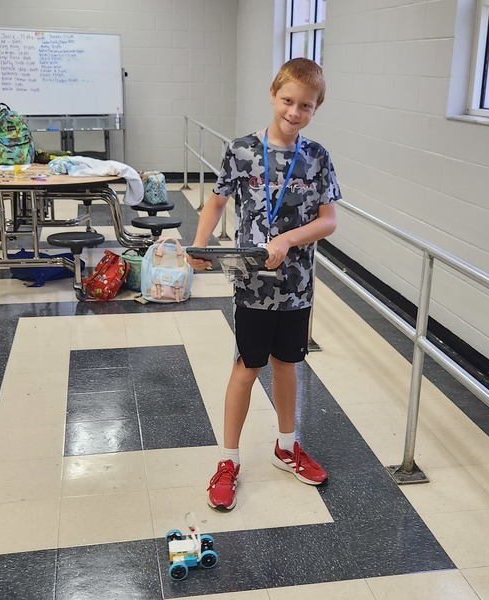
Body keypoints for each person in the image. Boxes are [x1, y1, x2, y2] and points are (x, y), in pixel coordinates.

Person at [187, 58, 341, 511]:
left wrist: (289, 238)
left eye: (306, 106)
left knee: (288, 364)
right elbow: (216, 204)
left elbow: (329, 220)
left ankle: (286, 447)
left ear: (316, 109)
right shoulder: (242, 150)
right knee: (247, 367)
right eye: (288, 101)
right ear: (273, 95)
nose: (295, 111)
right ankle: (228, 461)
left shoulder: (317, 157)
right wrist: (200, 246)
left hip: (296, 285)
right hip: (252, 284)